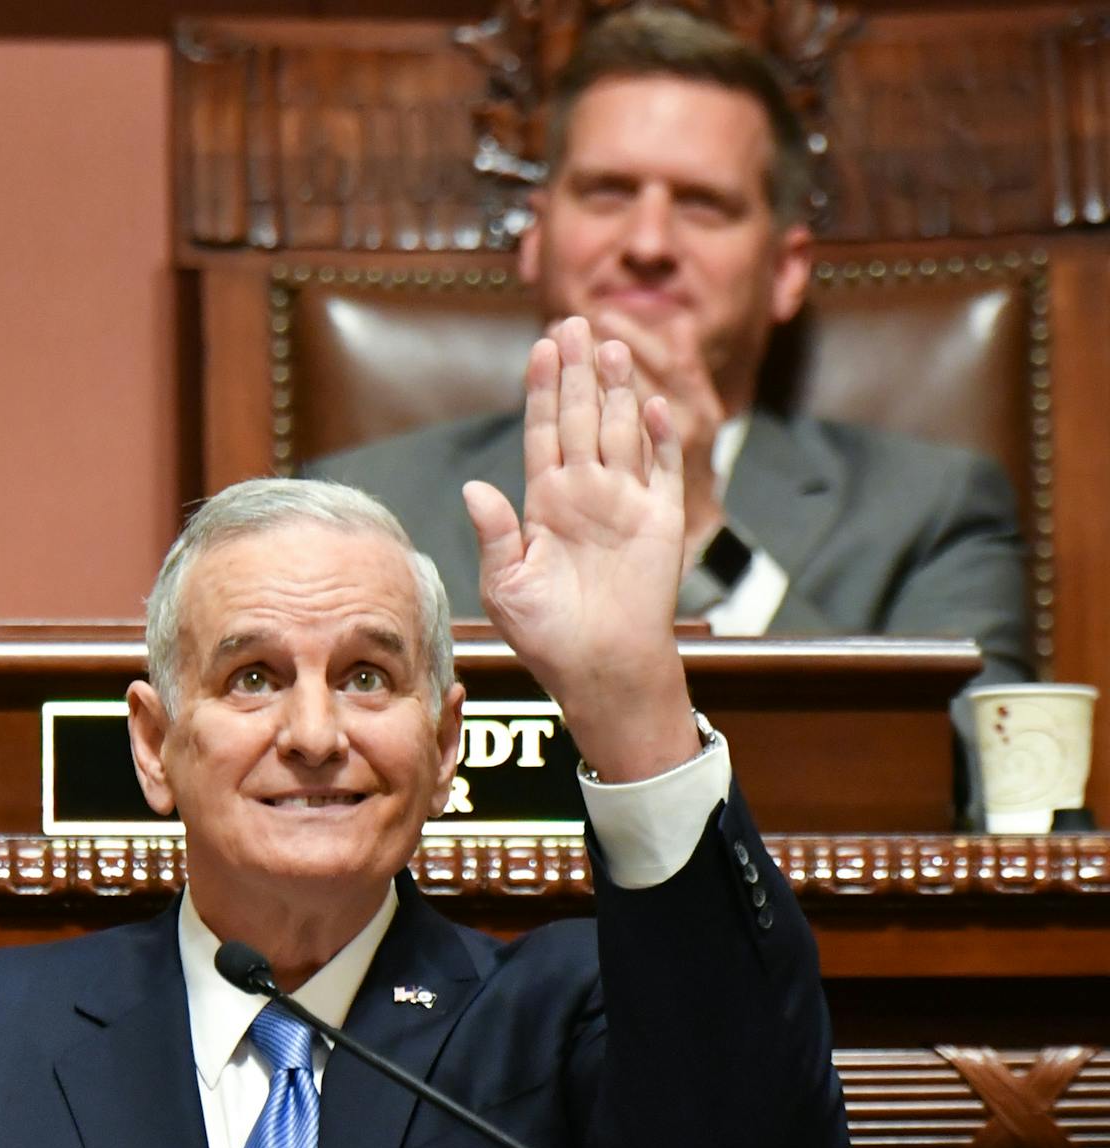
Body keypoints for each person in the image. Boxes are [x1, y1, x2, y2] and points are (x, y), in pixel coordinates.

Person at [0, 320, 847, 1148]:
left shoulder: (555, 1031)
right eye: (252, 678)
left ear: (441, 747)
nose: (315, 735)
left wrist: (628, 699)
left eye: (367, 677)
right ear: (155, 747)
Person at [305, 4, 1032, 689]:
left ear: (785, 270)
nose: (648, 244)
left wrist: (706, 535)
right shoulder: (365, 506)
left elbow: (969, 775)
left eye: (702, 204)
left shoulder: (932, 512)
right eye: (607, 193)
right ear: (536, 239)